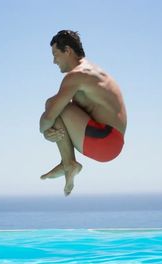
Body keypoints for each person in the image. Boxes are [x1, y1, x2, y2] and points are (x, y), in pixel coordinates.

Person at [40, 30, 127, 196]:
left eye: (55, 54)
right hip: (113, 141)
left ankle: (68, 163)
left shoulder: (77, 75)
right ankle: (67, 163)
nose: (53, 61)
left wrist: (44, 131)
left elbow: (50, 115)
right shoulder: (93, 71)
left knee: (53, 104)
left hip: (105, 140)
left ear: (68, 51)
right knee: (59, 106)